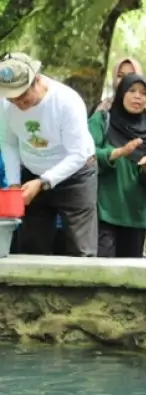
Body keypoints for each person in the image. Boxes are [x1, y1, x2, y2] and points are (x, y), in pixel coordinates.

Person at [0, 52, 98, 256]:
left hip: (75, 175)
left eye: (23, 97)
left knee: (81, 249)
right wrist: (14, 183)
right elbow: (8, 143)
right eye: (12, 99)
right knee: (31, 247)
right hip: (31, 173)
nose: (18, 104)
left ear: (36, 80)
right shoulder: (5, 104)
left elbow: (78, 154)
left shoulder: (66, 101)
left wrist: (44, 181)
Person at [89, 73, 146, 257]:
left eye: (143, 93)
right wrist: (117, 153)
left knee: (129, 274)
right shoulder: (102, 120)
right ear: (121, 92)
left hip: (136, 216)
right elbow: (86, 153)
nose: (138, 96)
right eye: (132, 91)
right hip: (104, 212)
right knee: (102, 271)